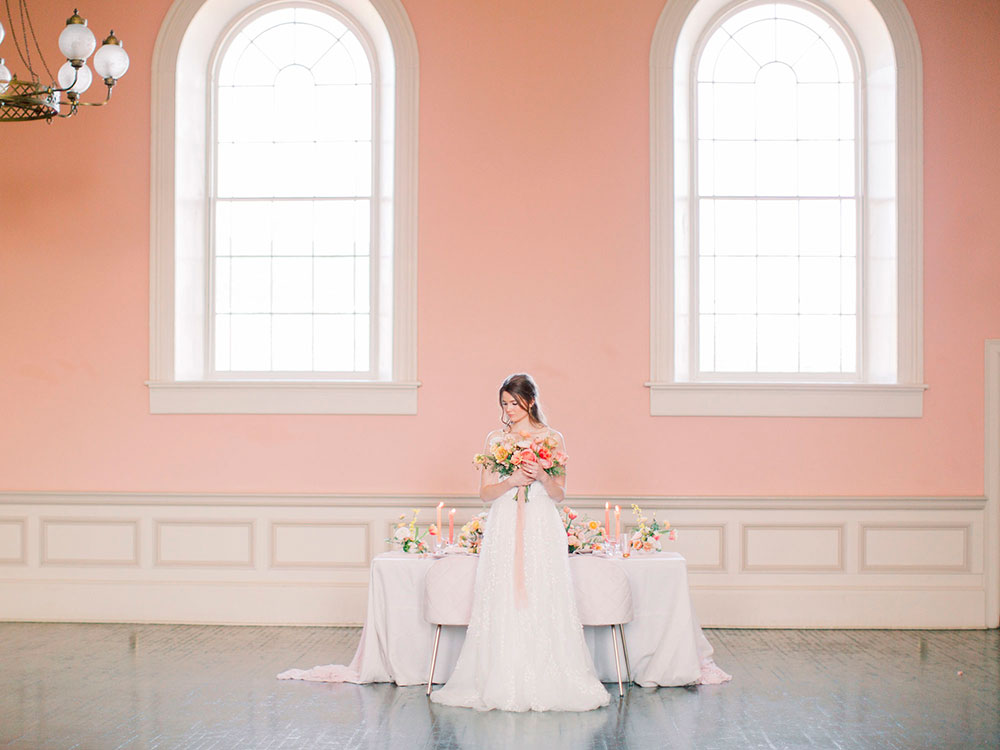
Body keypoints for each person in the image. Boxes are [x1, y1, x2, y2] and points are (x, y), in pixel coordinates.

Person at [429, 373, 610, 712]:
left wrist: (541, 474)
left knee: (543, 589)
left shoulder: (552, 438)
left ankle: (549, 678)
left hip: (541, 522)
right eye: (504, 404)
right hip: (505, 522)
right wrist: (512, 480)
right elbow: (484, 494)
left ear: (530, 400)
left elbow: (559, 494)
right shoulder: (495, 439)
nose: (509, 409)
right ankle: (500, 678)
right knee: (503, 592)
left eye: (514, 402)